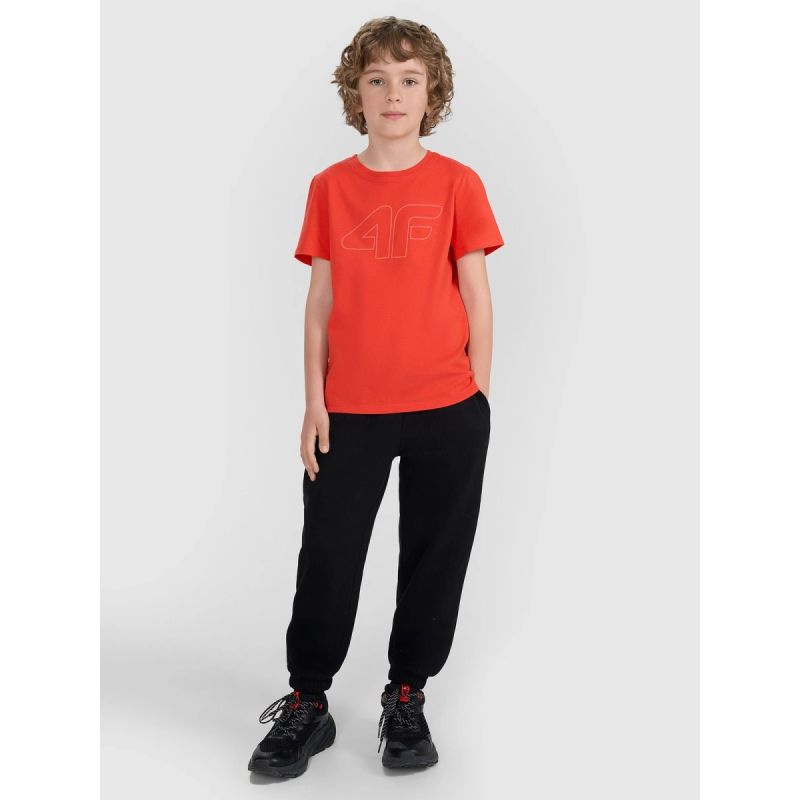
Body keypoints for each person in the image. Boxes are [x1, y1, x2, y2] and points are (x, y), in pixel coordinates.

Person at [248, 15, 504, 778]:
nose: (394, 93)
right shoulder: (330, 188)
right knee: (328, 554)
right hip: (350, 410)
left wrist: (477, 399)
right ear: (355, 94)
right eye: (377, 79)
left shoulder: (458, 183)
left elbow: (478, 296)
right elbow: (319, 305)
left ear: (432, 94)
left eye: (410, 79)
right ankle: (308, 701)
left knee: (436, 555)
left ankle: (407, 694)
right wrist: (313, 402)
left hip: (448, 409)